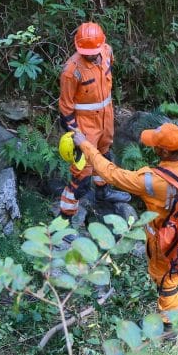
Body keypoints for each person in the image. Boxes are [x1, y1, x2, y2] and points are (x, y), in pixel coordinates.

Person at [73, 123, 178, 330]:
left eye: (155, 146)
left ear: (164, 151)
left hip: (169, 244)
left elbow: (111, 174)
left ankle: (168, 326)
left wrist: (85, 145)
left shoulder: (154, 180)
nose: (153, 149)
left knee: (167, 282)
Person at [57, 22, 129, 223]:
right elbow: (65, 108)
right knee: (80, 175)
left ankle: (103, 192)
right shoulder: (72, 71)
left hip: (106, 117)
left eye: (93, 51)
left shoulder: (106, 52)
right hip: (85, 125)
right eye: (86, 52)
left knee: (105, 156)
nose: (91, 55)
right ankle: (62, 222)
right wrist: (74, 134)